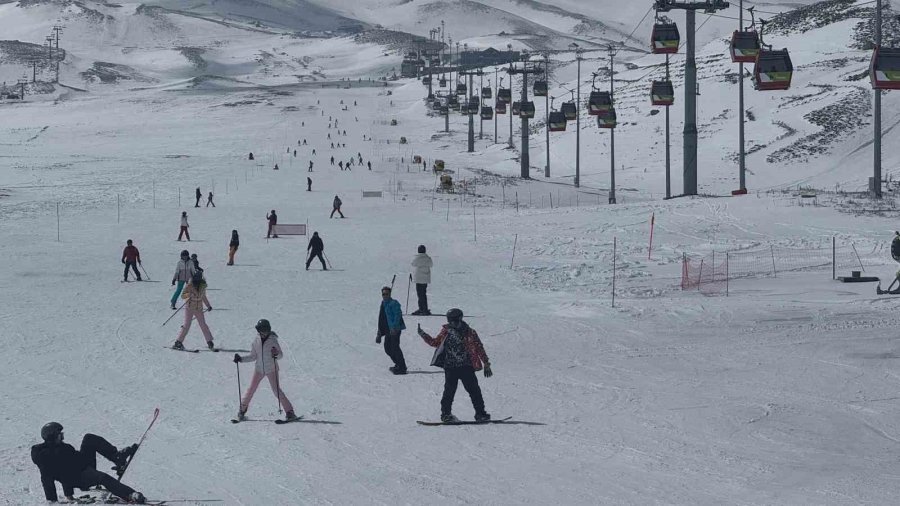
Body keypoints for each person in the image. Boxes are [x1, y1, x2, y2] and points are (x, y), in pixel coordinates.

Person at [31, 422, 145, 504]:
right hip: (79, 477)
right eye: (60, 434)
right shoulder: (46, 458)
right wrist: (57, 500)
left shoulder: (61, 447)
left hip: (82, 465)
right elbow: (49, 479)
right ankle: (130, 494)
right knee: (103, 477)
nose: (62, 436)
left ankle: (117, 457)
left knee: (89, 438)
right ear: (53, 436)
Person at [417, 309, 492, 422]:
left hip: (466, 367)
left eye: (454, 321)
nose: (452, 323)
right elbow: (435, 343)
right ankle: (446, 414)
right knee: (449, 391)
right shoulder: (446, 331)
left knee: (474, 391)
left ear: (460, 319)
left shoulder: (470, 332)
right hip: (450, 367)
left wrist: (486, 362)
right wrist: (423, 334)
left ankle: (480, 413)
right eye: (450, 321)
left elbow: (479, 347)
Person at [233, 319, 298, 422]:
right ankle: (242, 410)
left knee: (276, 391)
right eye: (262, 331)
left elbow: (280, 355)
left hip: (271, 369)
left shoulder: (272, 340)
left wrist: (276, 353)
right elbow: (253, 356)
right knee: (251, 389)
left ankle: (290, 412)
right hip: (259, 369)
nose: (264, 333)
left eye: (266, 331)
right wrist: (241, 359)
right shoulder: (256, 341)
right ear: (259, 331)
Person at [173, 270, 214, 350]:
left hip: (199, 308)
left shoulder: (202, 285)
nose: (197, 281)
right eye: (196, 279)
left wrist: (208, 305)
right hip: (190, 308)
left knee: (203, 325)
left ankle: (209, 341)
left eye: (199, 279)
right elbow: (183, 296)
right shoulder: (189, 285)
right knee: (186, 325)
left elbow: (203, 296)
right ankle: (178, 342)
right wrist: (190, 294)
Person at [376, 286, 407, 374]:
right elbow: (381, 319)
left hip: (395, 329)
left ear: (390, 294)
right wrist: (379, 333)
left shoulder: (394, 303)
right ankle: (398, 364)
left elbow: (398, 315)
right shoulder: (383, 303)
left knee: (395, 348)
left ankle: (402, 367)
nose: (385, 296)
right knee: (387, 348)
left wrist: (394, 327)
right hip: (388, 330)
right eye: (383, 294)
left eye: (386, 294)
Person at [411, 245, 433, 315]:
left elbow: (413, 264)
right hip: (425, 279)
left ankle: (422, 309)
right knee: (423, 294)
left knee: (420, 295)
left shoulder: (418, 258)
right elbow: (431, 264)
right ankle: (424, 308)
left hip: (419, 279)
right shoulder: (428, 258)